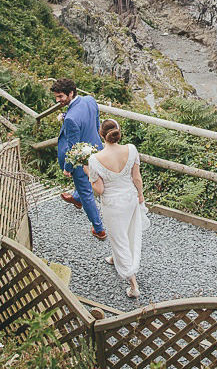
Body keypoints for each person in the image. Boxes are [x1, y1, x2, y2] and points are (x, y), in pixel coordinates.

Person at [88, 119, 148, 298]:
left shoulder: (94, 159)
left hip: (113, 205)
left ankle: (133, 285)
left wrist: (88, 175)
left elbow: (99, 190)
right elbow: (137, 178)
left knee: (119, 238)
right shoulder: (131, 149)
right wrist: (140, 196)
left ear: (101, 136)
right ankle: (115, 258)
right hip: (130, 198)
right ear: (118, 132)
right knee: (127, 230)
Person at [51, 78, 106, 240]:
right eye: (56, 97)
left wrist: (68, 168)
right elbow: (97, 124)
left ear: (71, 93)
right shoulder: (90, 100)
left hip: (82, 159)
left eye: (60, 96)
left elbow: (73, 149)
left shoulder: (70, 119)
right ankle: (76, 198)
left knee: (86, 192)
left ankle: (99, 229)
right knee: (83, 190)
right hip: (97, 149)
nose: (57, 100)